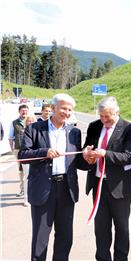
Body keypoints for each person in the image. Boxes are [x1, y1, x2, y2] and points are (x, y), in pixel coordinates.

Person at [18, 93, 88, 260]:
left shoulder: (74, 132)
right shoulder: (34, 129)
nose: (67, 112)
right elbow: (23, 155)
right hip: (43, 189)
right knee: (40, 239)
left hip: (66, 188)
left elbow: (77, 162)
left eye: (70, 109)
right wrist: (45, 152)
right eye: (64, 108)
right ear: (53, 108)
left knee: (65, 237)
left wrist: (88, 158)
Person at [83, 96, 131, 260]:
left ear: (117, 112)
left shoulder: (129, 128)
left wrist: (105, 153)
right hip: (99, 185)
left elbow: (127, 156)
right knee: (101, 229)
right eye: (101, 116)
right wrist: (88, 154)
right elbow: (86, 147)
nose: (104, 120)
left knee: (122, 228)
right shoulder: (94, 126)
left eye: (107, 116)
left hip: (120, 187)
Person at [9, 104, 29, 197]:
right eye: (22, 110)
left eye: (26, 110)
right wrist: (12, 149)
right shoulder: (14, 123)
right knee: (21, 170)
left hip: (30, 150)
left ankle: (30, 189)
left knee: (31, 170)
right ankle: (22, 189)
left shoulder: (31, 121)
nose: (24, 112)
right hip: (18, 150)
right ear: (19, 111)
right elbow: (10, 137)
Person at [20, 114, 37, 207]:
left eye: (32, 121)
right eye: (29, 121)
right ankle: (26, 199)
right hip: (27, 158)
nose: (31, 123)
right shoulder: (24, 131)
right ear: (26, 122)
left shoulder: (39, 131)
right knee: (27, 178)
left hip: (36, 158)